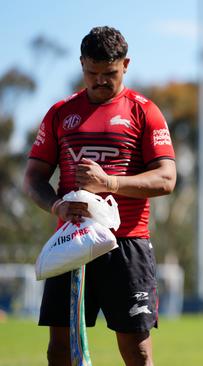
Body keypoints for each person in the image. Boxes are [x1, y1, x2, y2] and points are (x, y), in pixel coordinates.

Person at [23, 26, 176, 366]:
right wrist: (55, 204)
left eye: (110, 73)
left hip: (126, 245)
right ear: (81, 65)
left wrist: (109, 183)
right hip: (72, 243)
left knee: (136, 350)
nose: (100, 81)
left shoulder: (144, 111)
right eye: (92, 73)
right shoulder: (61, 112)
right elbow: (32, 178)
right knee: (60, 349)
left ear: (126, 65)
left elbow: (167, 179)